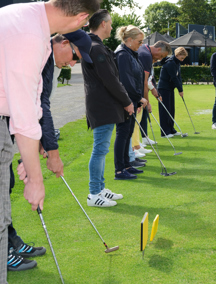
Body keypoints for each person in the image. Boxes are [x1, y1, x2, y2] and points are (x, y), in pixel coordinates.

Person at [0, 0, 99, 279]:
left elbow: (31, 106)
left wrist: (23, 154)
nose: (74, 63)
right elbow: (25, 114)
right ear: (81, 17)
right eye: (77, 58)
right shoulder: (29, 36)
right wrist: (35, 179)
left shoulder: (30, 23)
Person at [81, 10, 134, 206]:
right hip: (102, 106)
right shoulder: (95, 47)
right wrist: (127, 102)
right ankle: (94, 193)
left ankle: (100, 188)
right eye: (110, 23)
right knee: (100, 149)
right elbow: (110, 80)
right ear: (103, 24)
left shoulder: (95, 46)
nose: (112, 27)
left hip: (103, 105)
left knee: (101, 149)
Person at [114, 25, 147, 179]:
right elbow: (126, 81)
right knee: (123, 134)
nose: (141, 45)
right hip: (124, 101)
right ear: (129, 40)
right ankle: (120, 170)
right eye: (139, 42)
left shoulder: (130, 53)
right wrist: (138, 97)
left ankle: (127, 165)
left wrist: (137, 99)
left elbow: (136, 78)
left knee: (127, 134)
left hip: (131, 100)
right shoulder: (122, 54)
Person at [138, 41, 172, 146]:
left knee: (142, 114)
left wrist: (155, 91)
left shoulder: (147, 53)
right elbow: (144, 81)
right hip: (137, 90)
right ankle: (135, 146)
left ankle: (144, 138)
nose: (160, 59)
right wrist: (147, 102)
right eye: (161, 55)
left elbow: (150, 78)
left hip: (139, 89)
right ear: (158, 49)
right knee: (138, 114)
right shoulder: (146, 55)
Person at [157, 47, 188, 137]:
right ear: (177, 55)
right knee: (164, 110)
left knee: (171, 109)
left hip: (170, 89)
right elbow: (174, 77)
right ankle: (164, 132)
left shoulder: (177, 63)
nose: (182, 60)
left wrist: (180, 89)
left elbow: (179, 77)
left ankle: (171, 129)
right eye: (182, 58)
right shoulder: (170, 63)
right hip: (163, 89)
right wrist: (180, 90)